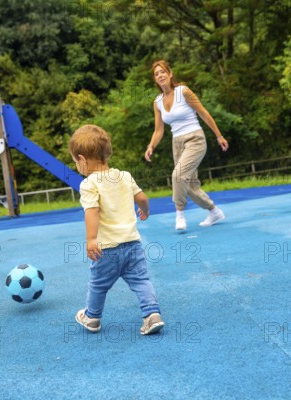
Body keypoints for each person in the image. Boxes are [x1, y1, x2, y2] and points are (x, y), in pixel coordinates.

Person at [69, 124, 164, 336]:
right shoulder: (124, 176)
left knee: (98, 284)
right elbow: (142, 198)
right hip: (132, 244)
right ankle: (152, 314)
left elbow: (91, 211)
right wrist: (144, 210)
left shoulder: (88, 184)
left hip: (107, 249)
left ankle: (92, 317)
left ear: (82, 160)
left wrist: (91, 239)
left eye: (76, 162)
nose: (77, 166)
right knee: (141, 280)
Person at [145, 59, 229, 230]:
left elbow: (203, 113)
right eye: (156, 74)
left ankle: (179, 214)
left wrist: (219, 135)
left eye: (162, 72)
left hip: (195, 139)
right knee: (188, 185)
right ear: (155, 79)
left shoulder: (183, 91)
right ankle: (214, 211)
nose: (160, 75)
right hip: (177, 144)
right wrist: (151, 146)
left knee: (177, 176)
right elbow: (159, 130)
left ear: (170, 74)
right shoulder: (157, 102)